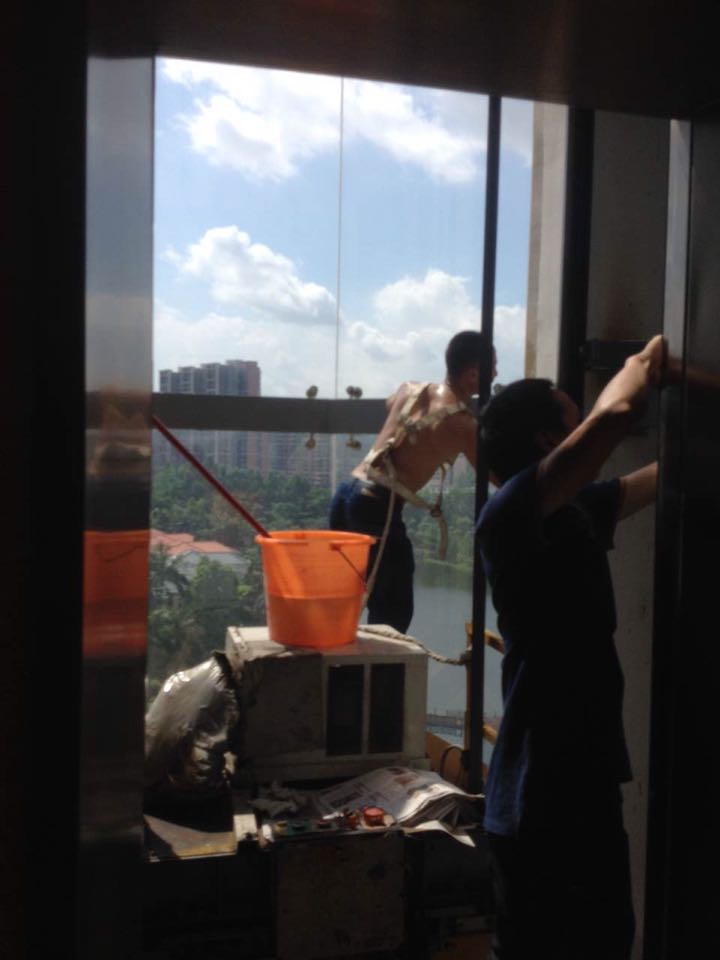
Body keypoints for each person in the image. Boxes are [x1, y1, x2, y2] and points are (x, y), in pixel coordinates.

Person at [475, 335, 665, 960]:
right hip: (539, 792)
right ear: (545, 441)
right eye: (571, 419)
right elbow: (616, 415)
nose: (584, 426)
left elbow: (657, 480)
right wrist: (644, 362)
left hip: (586, 775)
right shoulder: (509, 514)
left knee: (605, 941)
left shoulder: (573, 510)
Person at [329, 330, 495, 633]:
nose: (495, 375)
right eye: (492, 368)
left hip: (347, 492)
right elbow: (492, 473)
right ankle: (375, 666)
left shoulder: (409, 389)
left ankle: (336, 660)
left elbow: (390, 404)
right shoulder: (461, 423)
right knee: (392, 615)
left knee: (342, 600)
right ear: (473, 374)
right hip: (378, 507)